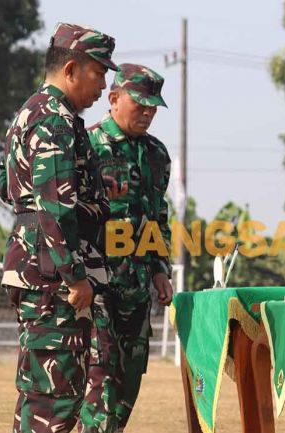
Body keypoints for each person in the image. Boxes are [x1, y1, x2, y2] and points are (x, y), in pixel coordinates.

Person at [0, 23, 120, 433]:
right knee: (56, 401)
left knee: (39, 394)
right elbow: (55, 209)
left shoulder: (27, 114)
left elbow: (8, 189)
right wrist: (74, 276)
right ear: (71, 69)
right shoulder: (55, 121)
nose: (104, 85)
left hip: (34, 266)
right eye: (99, 73)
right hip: (54, 277)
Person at [86, 63, 173, 431]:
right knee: (100, 378)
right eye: (141, 104)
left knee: (129, 382)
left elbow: (158, 214)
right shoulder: (86, 145)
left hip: (137, 289)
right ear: (114, 98)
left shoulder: (156, 154)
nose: (148, 113)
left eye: (153, 106)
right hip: (96, 284)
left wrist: (159, 269)